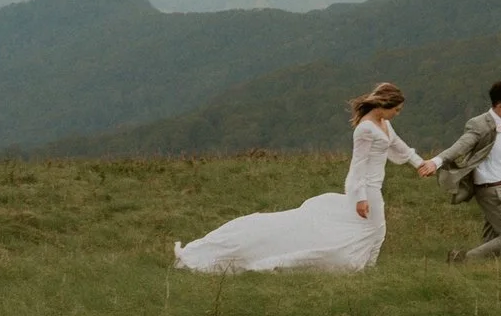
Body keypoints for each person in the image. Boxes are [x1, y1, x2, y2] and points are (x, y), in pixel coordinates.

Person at [173, 82, 432, 273]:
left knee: (374, 232)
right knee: (376, 230)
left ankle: (368, 268)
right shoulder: (365, 129)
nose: (397, 114)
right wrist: (360, 198)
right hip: (367, 188)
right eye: (396, 110)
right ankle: (365, 269)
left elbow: (398, 145)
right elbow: (357, 167)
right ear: (384, 106)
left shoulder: (383, 124)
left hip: (374, 187)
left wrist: (420, 163)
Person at [432, 80, 501, 263]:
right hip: (493, 191)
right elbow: (461, 146)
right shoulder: (481, 125)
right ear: (500, 105)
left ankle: (480, 273)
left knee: (492, 239)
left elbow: (494, 156)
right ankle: (462, 260)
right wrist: (436, 161)